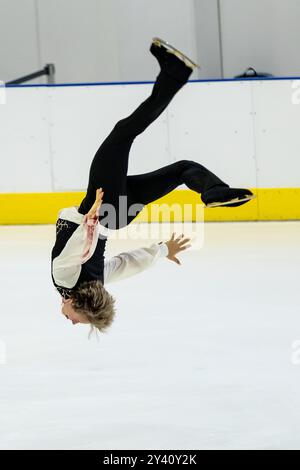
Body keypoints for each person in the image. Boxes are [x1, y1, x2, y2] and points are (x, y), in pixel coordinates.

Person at [51, 37, 254, 332]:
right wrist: (92, 215)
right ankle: (175, 73)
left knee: (181, 170)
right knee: (124, 133)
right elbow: (77, 249)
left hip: (120, 215)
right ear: (79, 305)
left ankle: (213, 190)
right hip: (104, 207)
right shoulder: (65, 279)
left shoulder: (91, 282)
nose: (72, 321)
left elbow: (125, 264)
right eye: (79, 320)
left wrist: (161, 250)